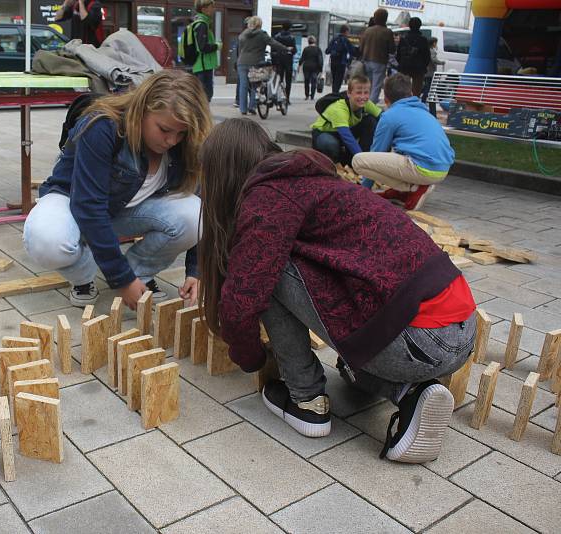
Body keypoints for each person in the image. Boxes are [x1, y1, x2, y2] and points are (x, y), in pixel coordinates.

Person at [198, 117, 476, 462]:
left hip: (416, 338)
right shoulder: (312, 181)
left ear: (222, 174)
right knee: (350, 369)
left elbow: (242, 300)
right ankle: (410, 392)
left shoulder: (267, 197)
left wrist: (252, 358)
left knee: (266, 268)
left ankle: (307, 400)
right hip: (461, 331)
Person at [23, 70, 210, 309]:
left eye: (180, 133)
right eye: (164, 129)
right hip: (72, 200)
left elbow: (203, 202)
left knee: (195, 216)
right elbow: (88, 206)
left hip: (124, 208)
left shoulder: (187, 143)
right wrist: (120, 277)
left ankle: (138, 275)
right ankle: (85, 277)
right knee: (46, 240)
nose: (172, 141)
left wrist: (196, 271)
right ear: (142, 110)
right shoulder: (102, 126)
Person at [352, 73, 455, 211]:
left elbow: (377, 151)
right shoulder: (423, 111)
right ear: (411, 93)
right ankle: (403, 192)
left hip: (423, 169)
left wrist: (364, 190)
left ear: (386, 99)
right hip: (442, 169)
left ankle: (413, 188)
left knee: (358, 161)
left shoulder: (389, 116)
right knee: (398, 151)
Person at [311, 75, 381, 165]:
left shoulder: (365, 103)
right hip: (326, 133)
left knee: (370, 121)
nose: (363, 97)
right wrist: (361, 159)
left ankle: (360, 158)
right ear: (349, 93)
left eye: (366, 92)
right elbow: (347, 137)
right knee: (329, 144)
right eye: (359, 93)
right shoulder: (339, 108)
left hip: (344, 132)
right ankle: (335, 162)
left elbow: (384, 118)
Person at [237, 17, 290, 115]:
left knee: (243, 86)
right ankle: (252, 106)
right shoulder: (262, 34)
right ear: (259, 24)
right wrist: (285, 48)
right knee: (255, 84)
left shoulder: (243, 34)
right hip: (255, 62)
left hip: (241, 62)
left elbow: (240, 48)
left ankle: (243, 109)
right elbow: (273, 43)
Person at [359, 8, 395, 105]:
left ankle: (365, 102)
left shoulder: (367, 31)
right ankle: (370, 105)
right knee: (376, 85)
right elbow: (392, 49)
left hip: (366, 60)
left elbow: (361, 47)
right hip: (380, 61)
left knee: (368, 84)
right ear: (385, 19)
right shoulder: (387, 32)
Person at [189, 0, 220, 102]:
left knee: (201, 95)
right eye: (211, 7)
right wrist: (217, 46)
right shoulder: (202, 24)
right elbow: (203, 48)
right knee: (205, 95)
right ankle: (200, 117)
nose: (213, 9)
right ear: (204, 9)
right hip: (203, 66)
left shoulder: (199, 23)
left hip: (200, 65)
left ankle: (199, 116)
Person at [395, 17, 430, 97]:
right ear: (420, 26)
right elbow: (427, 56)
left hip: (405, 67)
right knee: (416, 91)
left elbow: (398, 55)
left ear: (409, 26)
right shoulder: (423, 40)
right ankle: (414, 104)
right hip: (418, 68)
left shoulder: (404, 39)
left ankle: (403, 103)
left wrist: (402, 63)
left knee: (403, 88)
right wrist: (423, 65)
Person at [272, 22, 297, 104]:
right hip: (288, 60)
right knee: (288, 80)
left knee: (279, 79)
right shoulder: (291, 37)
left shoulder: (277, 36)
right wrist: (290, 50)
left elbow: (273, 49)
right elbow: (294, 50)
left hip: (279, 60)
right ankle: (287, 98)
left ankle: (278, 97)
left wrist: (274, 61)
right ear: (289, 28)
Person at [325, 25, 354, 94]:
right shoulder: (345, 40)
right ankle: (335, 94)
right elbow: (352, 51)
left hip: (333, 62)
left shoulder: (334, 39)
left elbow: (327, 51)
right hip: (341, 62)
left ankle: (334, 93)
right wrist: (349, 62)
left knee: (334, 79)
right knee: (339, 80)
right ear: (346, 31)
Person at [421, 37, 444, 116]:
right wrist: (441, 62)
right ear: (433, 43)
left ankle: (423, 100)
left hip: (426, 72)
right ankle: (423, 101)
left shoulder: (427, 50)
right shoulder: (432, 51)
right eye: (436, 42)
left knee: (427, 87)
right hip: (430, 73)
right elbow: (433, 60)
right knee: (429, 89)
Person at [298, 35, 323, 101]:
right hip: (315, 67)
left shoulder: (306, 49)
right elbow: (320, 59)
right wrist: (321, 69)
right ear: (315, 41)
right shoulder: (318, 49)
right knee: (314, 81)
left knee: (306, 81)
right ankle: (312, 95)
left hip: (306, 66)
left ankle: (306, 95)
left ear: (308, 42)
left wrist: (299, 65)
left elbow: (302, 58)